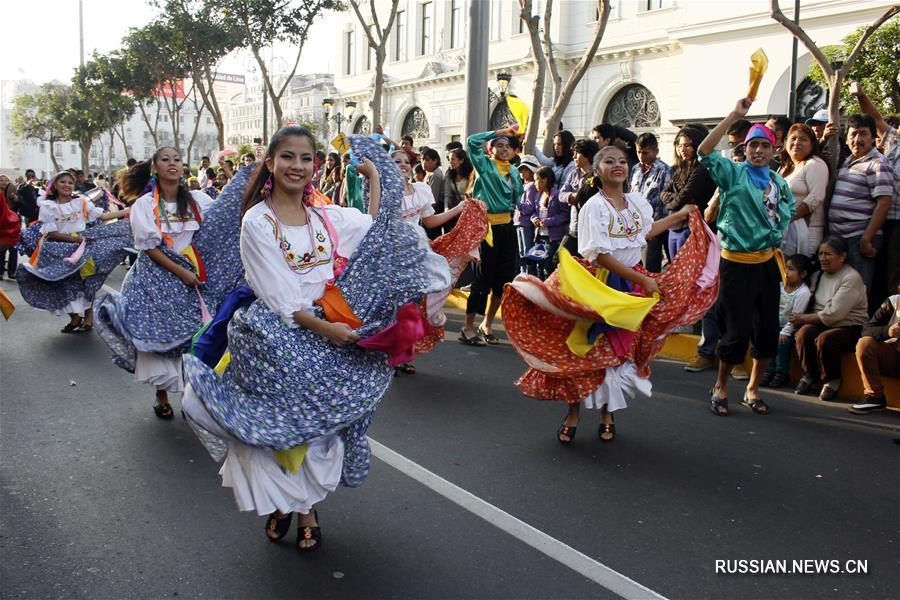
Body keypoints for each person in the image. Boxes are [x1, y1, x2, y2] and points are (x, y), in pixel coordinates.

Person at [180, 129, 449, 552]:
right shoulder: (257, 221)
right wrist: (327, 329)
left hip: (328, 326)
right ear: (270, 163)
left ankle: (306, 509)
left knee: (323, 433)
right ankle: (283, 504)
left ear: (315, 167)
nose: (297, 166)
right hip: (275, 334)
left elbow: (375, 234)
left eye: (306, 159)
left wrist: (374, 177)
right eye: (288, 156)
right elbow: (280, 295)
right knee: (281, 431)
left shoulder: (325, 216)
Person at [501, 144, 718, 444]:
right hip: (598, 285)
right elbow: (598, 255)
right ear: (597, 170)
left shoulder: (636, 202)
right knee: (582, 351)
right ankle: (573, 413)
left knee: (618, 356)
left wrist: (680, 214)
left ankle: (607, 413)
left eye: (622, 162)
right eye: (610, 161)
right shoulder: (594, 206)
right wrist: (639, 280)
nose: (618, 165)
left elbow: (646, 231)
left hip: (632, 284)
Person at [94, 147, 247, 421]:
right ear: (154, 167)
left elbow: (226, 215)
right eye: (166, 160)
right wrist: (181, 272)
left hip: (192, 278)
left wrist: (240, 176)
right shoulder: (144, 206)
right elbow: (151, 248)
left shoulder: (198, 199)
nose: (172, 164)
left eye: (177, 159)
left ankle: (192, 395)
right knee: (158, 337)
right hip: (155, 279)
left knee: (193, 336)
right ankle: (161, 394)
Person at [698, 97, 795, 417]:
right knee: (736, 331)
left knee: (767, 330)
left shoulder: (779, 183)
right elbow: (704, 151)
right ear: (745, 149)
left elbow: (787, 214)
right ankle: (722, 385)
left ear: (773, 151)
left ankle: (752, 389)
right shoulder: (733, 174)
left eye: (764, 146)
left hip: (767, 263)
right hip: (736, 264)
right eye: (752, 146)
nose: (757, 151)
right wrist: (734, 115)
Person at [15, 172, 130, 332]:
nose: (67, 185)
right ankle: (75, 317)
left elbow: (103, 216)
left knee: (87, 280)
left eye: (70, 182)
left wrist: (128, 211)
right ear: (55, 185)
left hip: (82, 246)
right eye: (63, 181)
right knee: (63, 283)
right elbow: (51, 233)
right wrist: (75, 240)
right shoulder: (48, 206)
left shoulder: (80, 202)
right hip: (60, 248)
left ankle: (88, 318)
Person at [392, 149, 469, 369]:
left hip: (417, 253)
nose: (403, 165)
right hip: (394, 254)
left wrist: (458, 208)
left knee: (413, 305)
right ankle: (393, 354)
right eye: (397, 161)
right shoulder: (385, 191)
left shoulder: (420, 189)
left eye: (406, 161)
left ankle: (404, 354)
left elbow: (430, 221)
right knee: (397, 306)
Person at [459, 126, 523, 346]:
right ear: (491, 149)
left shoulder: (514, 171)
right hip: (487, 229)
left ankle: (487, 324)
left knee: (503, 280)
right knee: (482, 279)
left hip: (507, 227)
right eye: (499, 145)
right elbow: (471, 141)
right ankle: (467, 326)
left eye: (507, 146)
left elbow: (517, 198)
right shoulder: (484, 166)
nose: (504, 149)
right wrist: (500, 131)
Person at [793, 236, 869, 401]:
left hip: (849, 325)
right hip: (821, 321)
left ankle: (832, 380)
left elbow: (834, 315)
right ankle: (809, 375)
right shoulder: (818, 276)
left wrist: (802, 318)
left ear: (842, 257)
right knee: (803, 333)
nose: (822, 258)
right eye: (820, 254)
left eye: (828, 254)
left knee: (826, 339)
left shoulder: (851, 277)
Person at [827, 114, 893, 294]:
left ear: (873, 137)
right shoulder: (847, 162)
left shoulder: (878, 164)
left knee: (856, 291)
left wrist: (866, 238)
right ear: (846, 137)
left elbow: (885, 202)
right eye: (853, 134)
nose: (857, 139)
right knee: (839, 290)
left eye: (863, 134)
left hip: (858, 238)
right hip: (839, 239)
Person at [850, 82, 900, 312]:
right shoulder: (894, 140)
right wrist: (860, 95)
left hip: (898, 225)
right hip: (877, 221)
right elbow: (875, 119)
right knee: (876, 273)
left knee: (893, 276)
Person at [661, 126, 717, 261]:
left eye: (687, 145)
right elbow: (663, 193)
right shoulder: (678, 169)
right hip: (674, 225)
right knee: (674, 268)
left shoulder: (700, 170)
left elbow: (684, 197)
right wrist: (673, 200)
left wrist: (671, 203)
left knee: (687, 269)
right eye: (679, 146)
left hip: (690, 226)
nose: (682, 150)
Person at [761, 254, 812, 388]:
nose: (786, 272)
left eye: (791, 269)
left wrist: (785, 332)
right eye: (785, 268)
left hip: (791, 328)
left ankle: (782, 373)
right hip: (775, 324)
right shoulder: (779, 286)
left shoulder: (803, 293)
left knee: (781, 343)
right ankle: (768, 370)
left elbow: (796, 316)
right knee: (766, 338)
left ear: (803, 274)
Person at [779, 123, 829, 258]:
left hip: (807, 231)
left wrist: (787, 218)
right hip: (785, 230)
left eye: (803, 139)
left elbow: (816, 197)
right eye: (793, 138)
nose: (797, 143)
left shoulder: (815, 163)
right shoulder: (785, 169)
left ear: (812, 144)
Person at [850, 285, 899, 414]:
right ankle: (875, 397)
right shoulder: (893, 302)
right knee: (865, 343)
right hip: (893, 358)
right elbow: (867, 329)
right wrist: (888, 331)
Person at [629, 132, 672, 272]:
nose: (641, 156)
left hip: (655, 228)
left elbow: (666, 201)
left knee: (650, 269)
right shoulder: (635, 169)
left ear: (656, 151)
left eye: (645, 153)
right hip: (635, 227)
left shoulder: (664, 170)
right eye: (638, 152)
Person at [557, 138, 600, 257]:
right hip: (574, 228)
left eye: (577, 153)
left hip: (591, 231)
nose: (574, 157)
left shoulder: (598, 175)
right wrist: (574, 196)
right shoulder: (573, 174)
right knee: (560, 258)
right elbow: (561, 195)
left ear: (587, 155)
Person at [530, 166, 567, 280]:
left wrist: (548, 222)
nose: (534, 183)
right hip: (539, 236)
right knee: (539, 265)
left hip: (552, 238)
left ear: (544, 180)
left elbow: (565, 214)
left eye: (536, 180)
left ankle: (548, 292)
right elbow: (534, 212)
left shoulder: (557, 195)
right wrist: (534, 219)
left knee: (548, 267)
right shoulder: (538, 195)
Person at [514, 155, 541, 276]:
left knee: (526, 252)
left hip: (526, 224)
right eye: (521, 169)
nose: (522, 172)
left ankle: (528, 277)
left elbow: (529, 208)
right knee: (521, 253)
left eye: (526, 169)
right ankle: (523, 276)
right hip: (519, 223)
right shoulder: (524, 185)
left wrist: (517, 202)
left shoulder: (531, 186)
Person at [421, 148, 445, 238]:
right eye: (422, 160)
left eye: (427, 160)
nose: (423, 162)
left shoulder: (436, 175)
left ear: (435, 161)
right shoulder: (429, 173)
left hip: (434, 213)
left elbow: (432, 199)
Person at [0, 176, 20, 280]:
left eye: (6, 180)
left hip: (12, 224)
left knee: (13, 249)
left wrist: (16, 199)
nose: (3, 182)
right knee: (1, 250)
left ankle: (12, 271)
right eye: (1, 180)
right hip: (2, 225)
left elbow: (20, 204)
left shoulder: (12, 191)